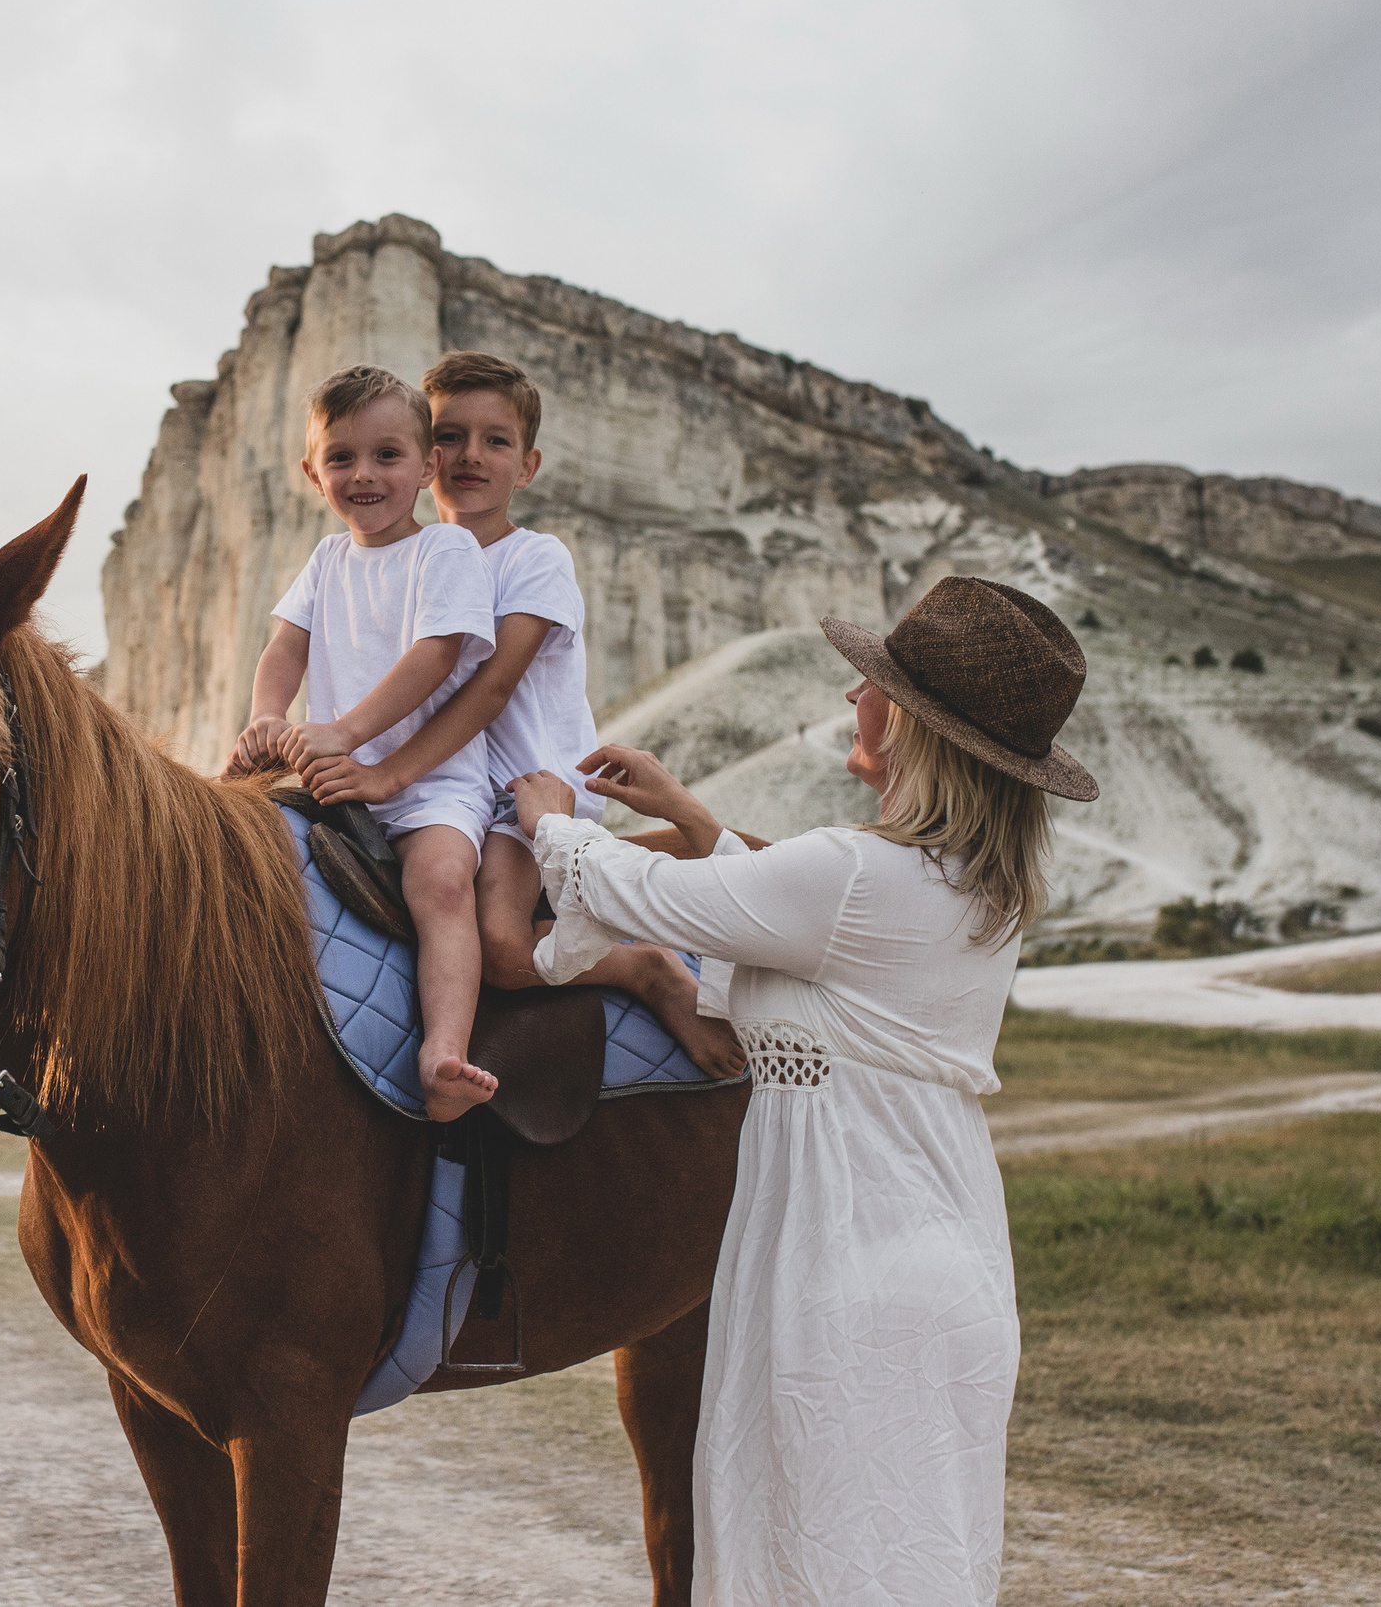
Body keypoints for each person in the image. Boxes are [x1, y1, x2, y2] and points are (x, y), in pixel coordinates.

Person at [509, 576, 1099, 1606]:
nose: (850, 701)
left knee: (802, 1560)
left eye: (869, 686)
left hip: (844, 1266)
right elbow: (793, 919)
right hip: (938, 1256)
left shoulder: (851, 874)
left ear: (911, 725)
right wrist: (697, 819)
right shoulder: (975, 889)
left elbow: (627, 892)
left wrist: (553, 819)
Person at [296, 350, 743, 1077]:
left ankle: (644, 969)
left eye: (496, 440)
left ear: (527, 465)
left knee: (503, 946)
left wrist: (381, 775)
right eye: (450, 437)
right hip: (434, 781)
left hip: (520, 792)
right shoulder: (396, 559)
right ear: (422, 454)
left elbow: (489, 688)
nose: (470, 455)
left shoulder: (534, 559)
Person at [226, 364, 500, 1120]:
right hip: (330, 779)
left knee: (440, 884)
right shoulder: (325, 561)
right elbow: (285, 647)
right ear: (313, 473)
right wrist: (266, 715)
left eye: (387, 455)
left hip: (431, 785)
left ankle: (444, 1050)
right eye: (341, 457)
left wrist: (345, 731)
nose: (364, 474)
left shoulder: (443, 553)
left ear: (427, 467)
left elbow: (436, 653)